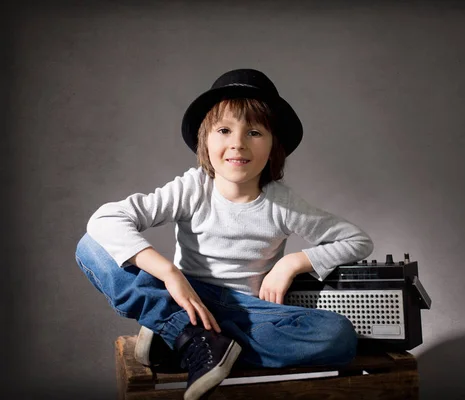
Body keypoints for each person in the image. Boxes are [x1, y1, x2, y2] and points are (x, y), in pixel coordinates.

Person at [75, 69, 374, 400]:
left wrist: (293, 262)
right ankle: (184, 331)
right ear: (205, 140)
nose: (238, 143)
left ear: (274, 145)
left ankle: (184, 340)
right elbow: (106, 219)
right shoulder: (193, 188)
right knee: (91, 247)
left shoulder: (282, 203)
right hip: (187, 298)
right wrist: (169, 273)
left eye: (255, 132)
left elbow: (358, 240)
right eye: (224, 130)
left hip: (247, 310)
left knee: (337, 335)